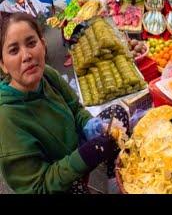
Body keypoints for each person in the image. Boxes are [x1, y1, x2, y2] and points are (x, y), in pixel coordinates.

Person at [0, 13, 128, 193]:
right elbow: (38, 187)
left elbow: (75, 107)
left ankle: (114, 179)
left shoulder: (47, 75)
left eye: (31, 43)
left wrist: (90, 125)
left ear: (43, 45)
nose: (27, 55)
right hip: (57, 177)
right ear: (3, 64)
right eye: (14, 50)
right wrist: (83, 157)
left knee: (117, 115)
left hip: (75, 148)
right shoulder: (7, 119)